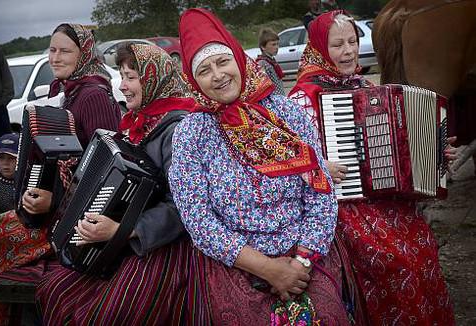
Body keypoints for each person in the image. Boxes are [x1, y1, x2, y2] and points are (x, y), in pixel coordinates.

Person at [169, 8, 356, 325]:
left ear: (239, 59)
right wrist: (268, 268)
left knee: (326, 318)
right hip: (237, 264)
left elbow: (320, 190)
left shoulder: (284, 112)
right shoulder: (191, 133)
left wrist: (300, 263)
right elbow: (198, 219)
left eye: (223, 61)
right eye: (204, 70)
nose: (217, 75)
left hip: (304, 255)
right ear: (193, 81)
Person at [289, 10, 456, 325]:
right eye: (337, 45)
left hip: (384, 196)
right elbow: (291, 156)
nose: (349, 50)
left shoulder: (366, 86)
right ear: (320, 49)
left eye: (352, 41)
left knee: (423, 251)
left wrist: (434, 156)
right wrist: (321, 165)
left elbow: (402, 148)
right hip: (342, 205)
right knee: (395, 261)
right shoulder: (303, 97)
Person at [36, 42, 210, 325]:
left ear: (155, 78)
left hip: (166, 246)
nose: (123, 86)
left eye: (131, 77)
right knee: (55, 290)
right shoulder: (139, 121)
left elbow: (184, 208)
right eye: (122, 76)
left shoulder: (178, 129)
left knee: (106, 313)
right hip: (126, 237)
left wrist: (125, 229)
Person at [0, 23, 121, 325]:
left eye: (65, 51)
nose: (55, 58)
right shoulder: (60, 91)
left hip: (74, 225)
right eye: (52, 50)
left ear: (84, 53)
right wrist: (37, 190)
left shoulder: (94, 96)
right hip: (50, 212)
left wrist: (53, 199)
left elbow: (105, 173)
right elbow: (54, 157)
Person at [256, 28, 285, 96]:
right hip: (273, 101)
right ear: (263, 47)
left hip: (280, 98)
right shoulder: (262, 63)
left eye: (277, 44)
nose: (277, 47)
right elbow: (262, 87)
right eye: (273, 44)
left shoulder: (272, 61)